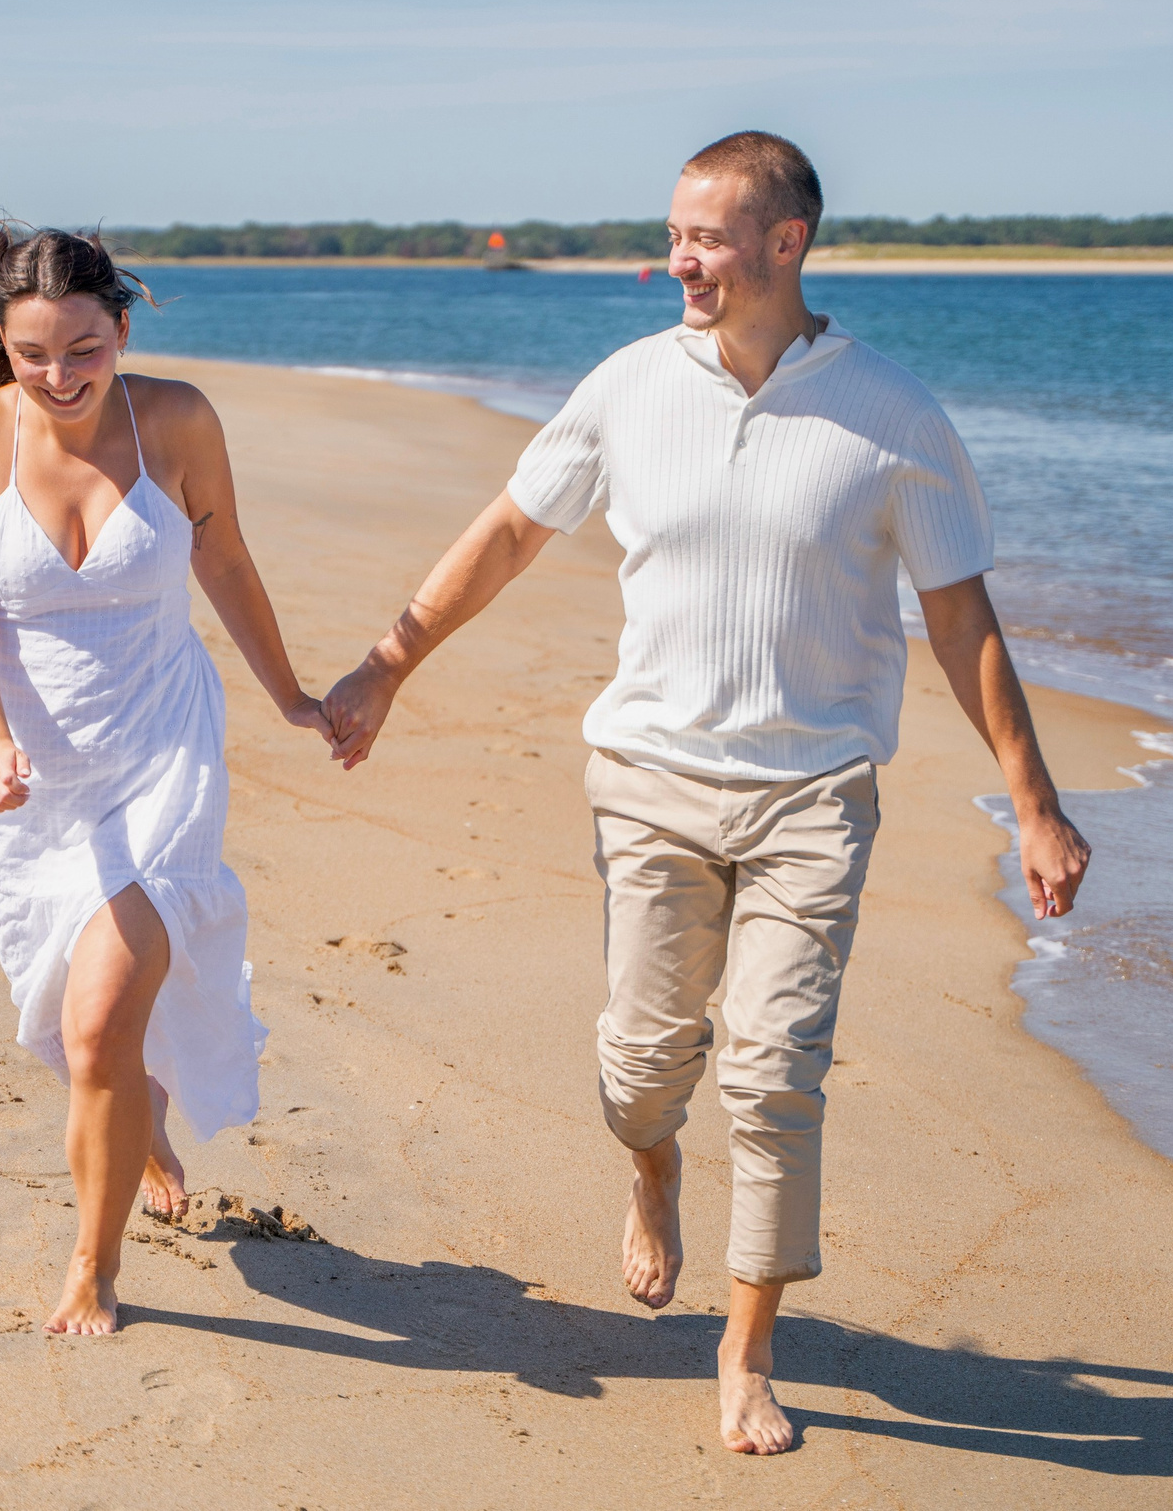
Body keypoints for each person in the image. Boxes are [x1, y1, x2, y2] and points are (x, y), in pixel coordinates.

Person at [322, 132, 1092, 1455]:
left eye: (706, 236)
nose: (678, 257)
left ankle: (747, 1353)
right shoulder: (627, 388)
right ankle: (650, 1164)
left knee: (778, 1073)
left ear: (785, 244)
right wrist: (389, 662)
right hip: (650, 783)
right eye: (673, 232)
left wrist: (1035, 803)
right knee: (638, 1066)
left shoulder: (892, 418)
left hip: (815, 797)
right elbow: (513, 528)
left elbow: (963, 620)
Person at [0, 169, 331, 1335]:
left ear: (121, 326)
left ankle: (92, 1262)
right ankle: (144, 1125)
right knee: (82, 1018)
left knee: (95, 1022)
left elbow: (223, 558)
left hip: (158, 752)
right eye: (33, 355)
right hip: (25, 770)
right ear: (2, 346)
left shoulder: (176, 419)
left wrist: (290, 694)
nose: (61, 377)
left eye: (84, 348)